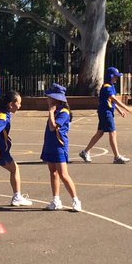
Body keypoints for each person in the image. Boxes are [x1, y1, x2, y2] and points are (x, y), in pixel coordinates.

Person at [0, 90, 32, 206]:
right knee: (14, 169)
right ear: (11, 104)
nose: (20, 106)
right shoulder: (3, 117)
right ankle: (17, 196)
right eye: (18, 103)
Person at [79, 66, 132, 163]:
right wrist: (127, 108)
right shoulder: (107, 87)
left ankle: (85, 152)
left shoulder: (111, 86)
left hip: (106, 111)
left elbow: (111, 101)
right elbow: (114, 99)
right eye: (115, 76)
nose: (117, 78)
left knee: (100, 133)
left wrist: (120, 110)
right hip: (105, 112)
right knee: (112, 132)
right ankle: (117, 157)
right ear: (110, 76)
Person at [41, 83, 82, 212]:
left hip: (59, 145)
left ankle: (75, 200)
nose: (47, 99)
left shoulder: (63, 112)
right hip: (50, 144)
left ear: (55, 99)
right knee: (53, 172)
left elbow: (53, 127)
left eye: (49, 97)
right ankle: (56, 200)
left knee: (63, 174)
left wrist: (51, 112)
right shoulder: (56, 110)